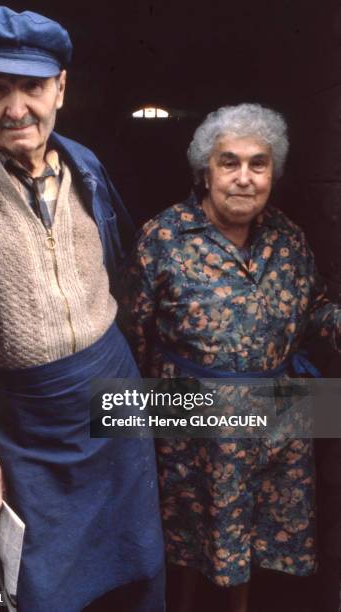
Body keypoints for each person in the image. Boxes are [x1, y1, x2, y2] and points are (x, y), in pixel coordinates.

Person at [0, 7, 164, 612]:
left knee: (135, 557)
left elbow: (119, 266)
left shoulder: (85, 165)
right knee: (39, 582)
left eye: (33, 87)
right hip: (21, 419)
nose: (16, 110)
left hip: (112, 392)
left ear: (61, 88)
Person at [125, 103, 341, 612]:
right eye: (229, 162)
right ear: (206, 171)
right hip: (192, 428)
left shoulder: (287, 238)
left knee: (251, 547)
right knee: (186, 547)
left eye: (258, 164)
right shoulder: (163, 238)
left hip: (279, 420)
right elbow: (130, 337)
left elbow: (311, 311)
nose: (244, 178)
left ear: (273, 172)